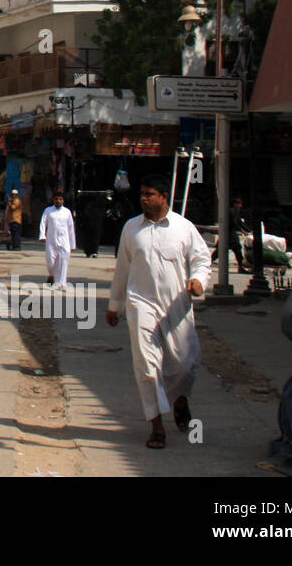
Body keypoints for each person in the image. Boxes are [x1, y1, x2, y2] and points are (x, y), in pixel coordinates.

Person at [106, 173, 212, 450]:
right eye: (142, 193)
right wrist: (114, 305)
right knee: (148, 367)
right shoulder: (131, 228)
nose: (143, 198)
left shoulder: (184, 228)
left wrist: (199, 280)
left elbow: (201, 259)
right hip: (141, 304)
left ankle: (179, 400)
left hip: (176, 303)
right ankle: (156, 425)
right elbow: (122, 269)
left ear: (164, 198)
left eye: (149, 194)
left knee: (186, 363)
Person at [39, 189, 76, 287]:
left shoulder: (67, 212)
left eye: (60, 199)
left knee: (63, 261)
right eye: (56, 199)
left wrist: (72, 244)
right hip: (51, 240)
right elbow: (43, 223)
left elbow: (71, 227)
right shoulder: (48, 211)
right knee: (50, 262)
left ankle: (61, 283)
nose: (58, 201)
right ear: (53, 200)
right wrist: (42, 235)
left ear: (63, 201)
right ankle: (52, 275)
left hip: (64, 240)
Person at [228, 195, 250, 274]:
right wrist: (242, 231)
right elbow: (234, 223)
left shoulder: (237, 212)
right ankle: (240, 267)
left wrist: (249, 231)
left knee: (238, 251)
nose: (241, 206)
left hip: (232, 235)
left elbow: (240, 223)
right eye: (239, 204)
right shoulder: (231, 211)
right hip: (229, 234)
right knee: (219, 251)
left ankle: (240, 267)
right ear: (235, 204)